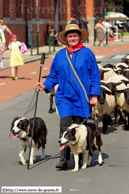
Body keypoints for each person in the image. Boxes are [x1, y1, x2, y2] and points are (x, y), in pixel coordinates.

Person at [35, 24, 101, 169]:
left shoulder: (87, 53)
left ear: (79, 37)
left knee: (79, 127)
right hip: (64, 97)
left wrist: (95, 95)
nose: (72, 38)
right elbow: (54, 75)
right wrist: (45, 85)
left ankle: (80, 154)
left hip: (82, 97)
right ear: (65, 38)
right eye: (70, 36)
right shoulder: (60, 55)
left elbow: (95, 76)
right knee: (65, 125)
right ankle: (63, 159)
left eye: (75, 35)